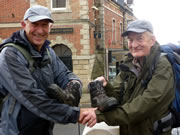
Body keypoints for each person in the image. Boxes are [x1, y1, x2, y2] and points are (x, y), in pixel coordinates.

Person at [0, 5, 85, 135]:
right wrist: (75, 114)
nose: (40, 31)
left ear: (50, 27)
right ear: (24, 24)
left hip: (44, 129)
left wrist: (74, 85)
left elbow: (65, 74)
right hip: (16, 131)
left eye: (44, 25)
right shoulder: (10, 55)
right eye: (35, 24)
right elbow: (31, 96)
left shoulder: (48, 52)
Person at [79, 20, 175, 135]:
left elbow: (145, 104)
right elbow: (117, 98)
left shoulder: (162, 65)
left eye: (140, 39)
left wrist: (101, 116)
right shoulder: (129, 64)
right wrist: (106, 86)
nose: (134, 45)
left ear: (152, 40)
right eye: (130, 40)